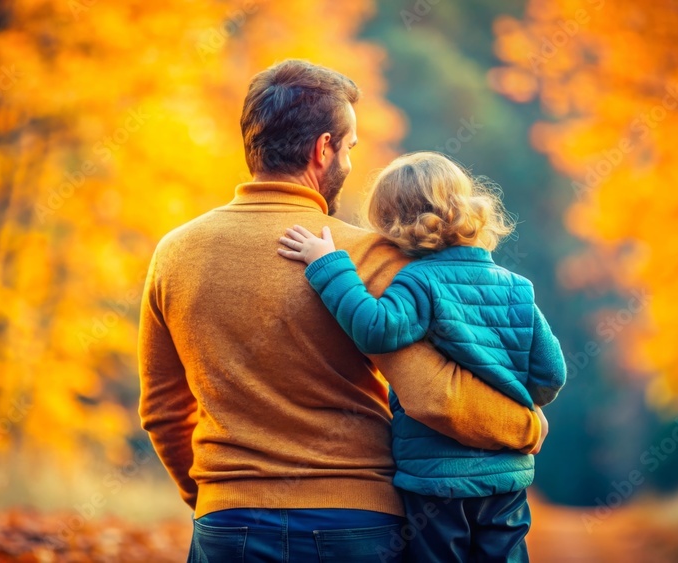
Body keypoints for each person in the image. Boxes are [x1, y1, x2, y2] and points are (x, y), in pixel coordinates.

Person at [137, 59, 549, 563]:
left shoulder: (176, 252)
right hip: (356, 524)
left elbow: (161, 411)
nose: (351, 163)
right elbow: (432, 397)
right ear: (323, 149)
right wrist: (525, 426)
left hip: (229, 523)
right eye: (350, 147)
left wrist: (211, 502)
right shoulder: (370, 256)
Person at [278, 151, 567, 561]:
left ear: (394, 225)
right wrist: (520, 399)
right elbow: (551, 373)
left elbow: (375, 328)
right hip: (506, 479)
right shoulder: (517, 286)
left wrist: (328, 267)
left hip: (436, 483)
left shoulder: (417, 281)